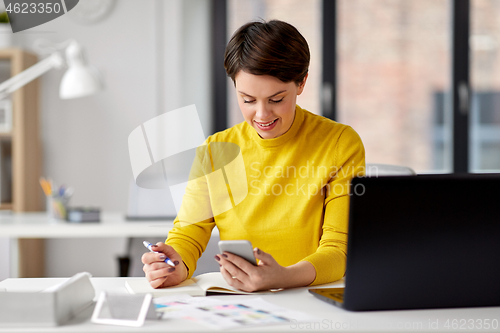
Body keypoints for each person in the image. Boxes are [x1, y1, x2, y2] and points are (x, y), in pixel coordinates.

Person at [142, 20, 365, 292]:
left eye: (276, 99)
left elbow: (339, 248)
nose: (261, 115)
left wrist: (284, 277)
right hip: (241, 300)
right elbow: (189, 232)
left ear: (301, 82)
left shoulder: (340, 143)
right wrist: (176, 265)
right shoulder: (217, 149)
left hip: (312, 296)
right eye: (247, 100)